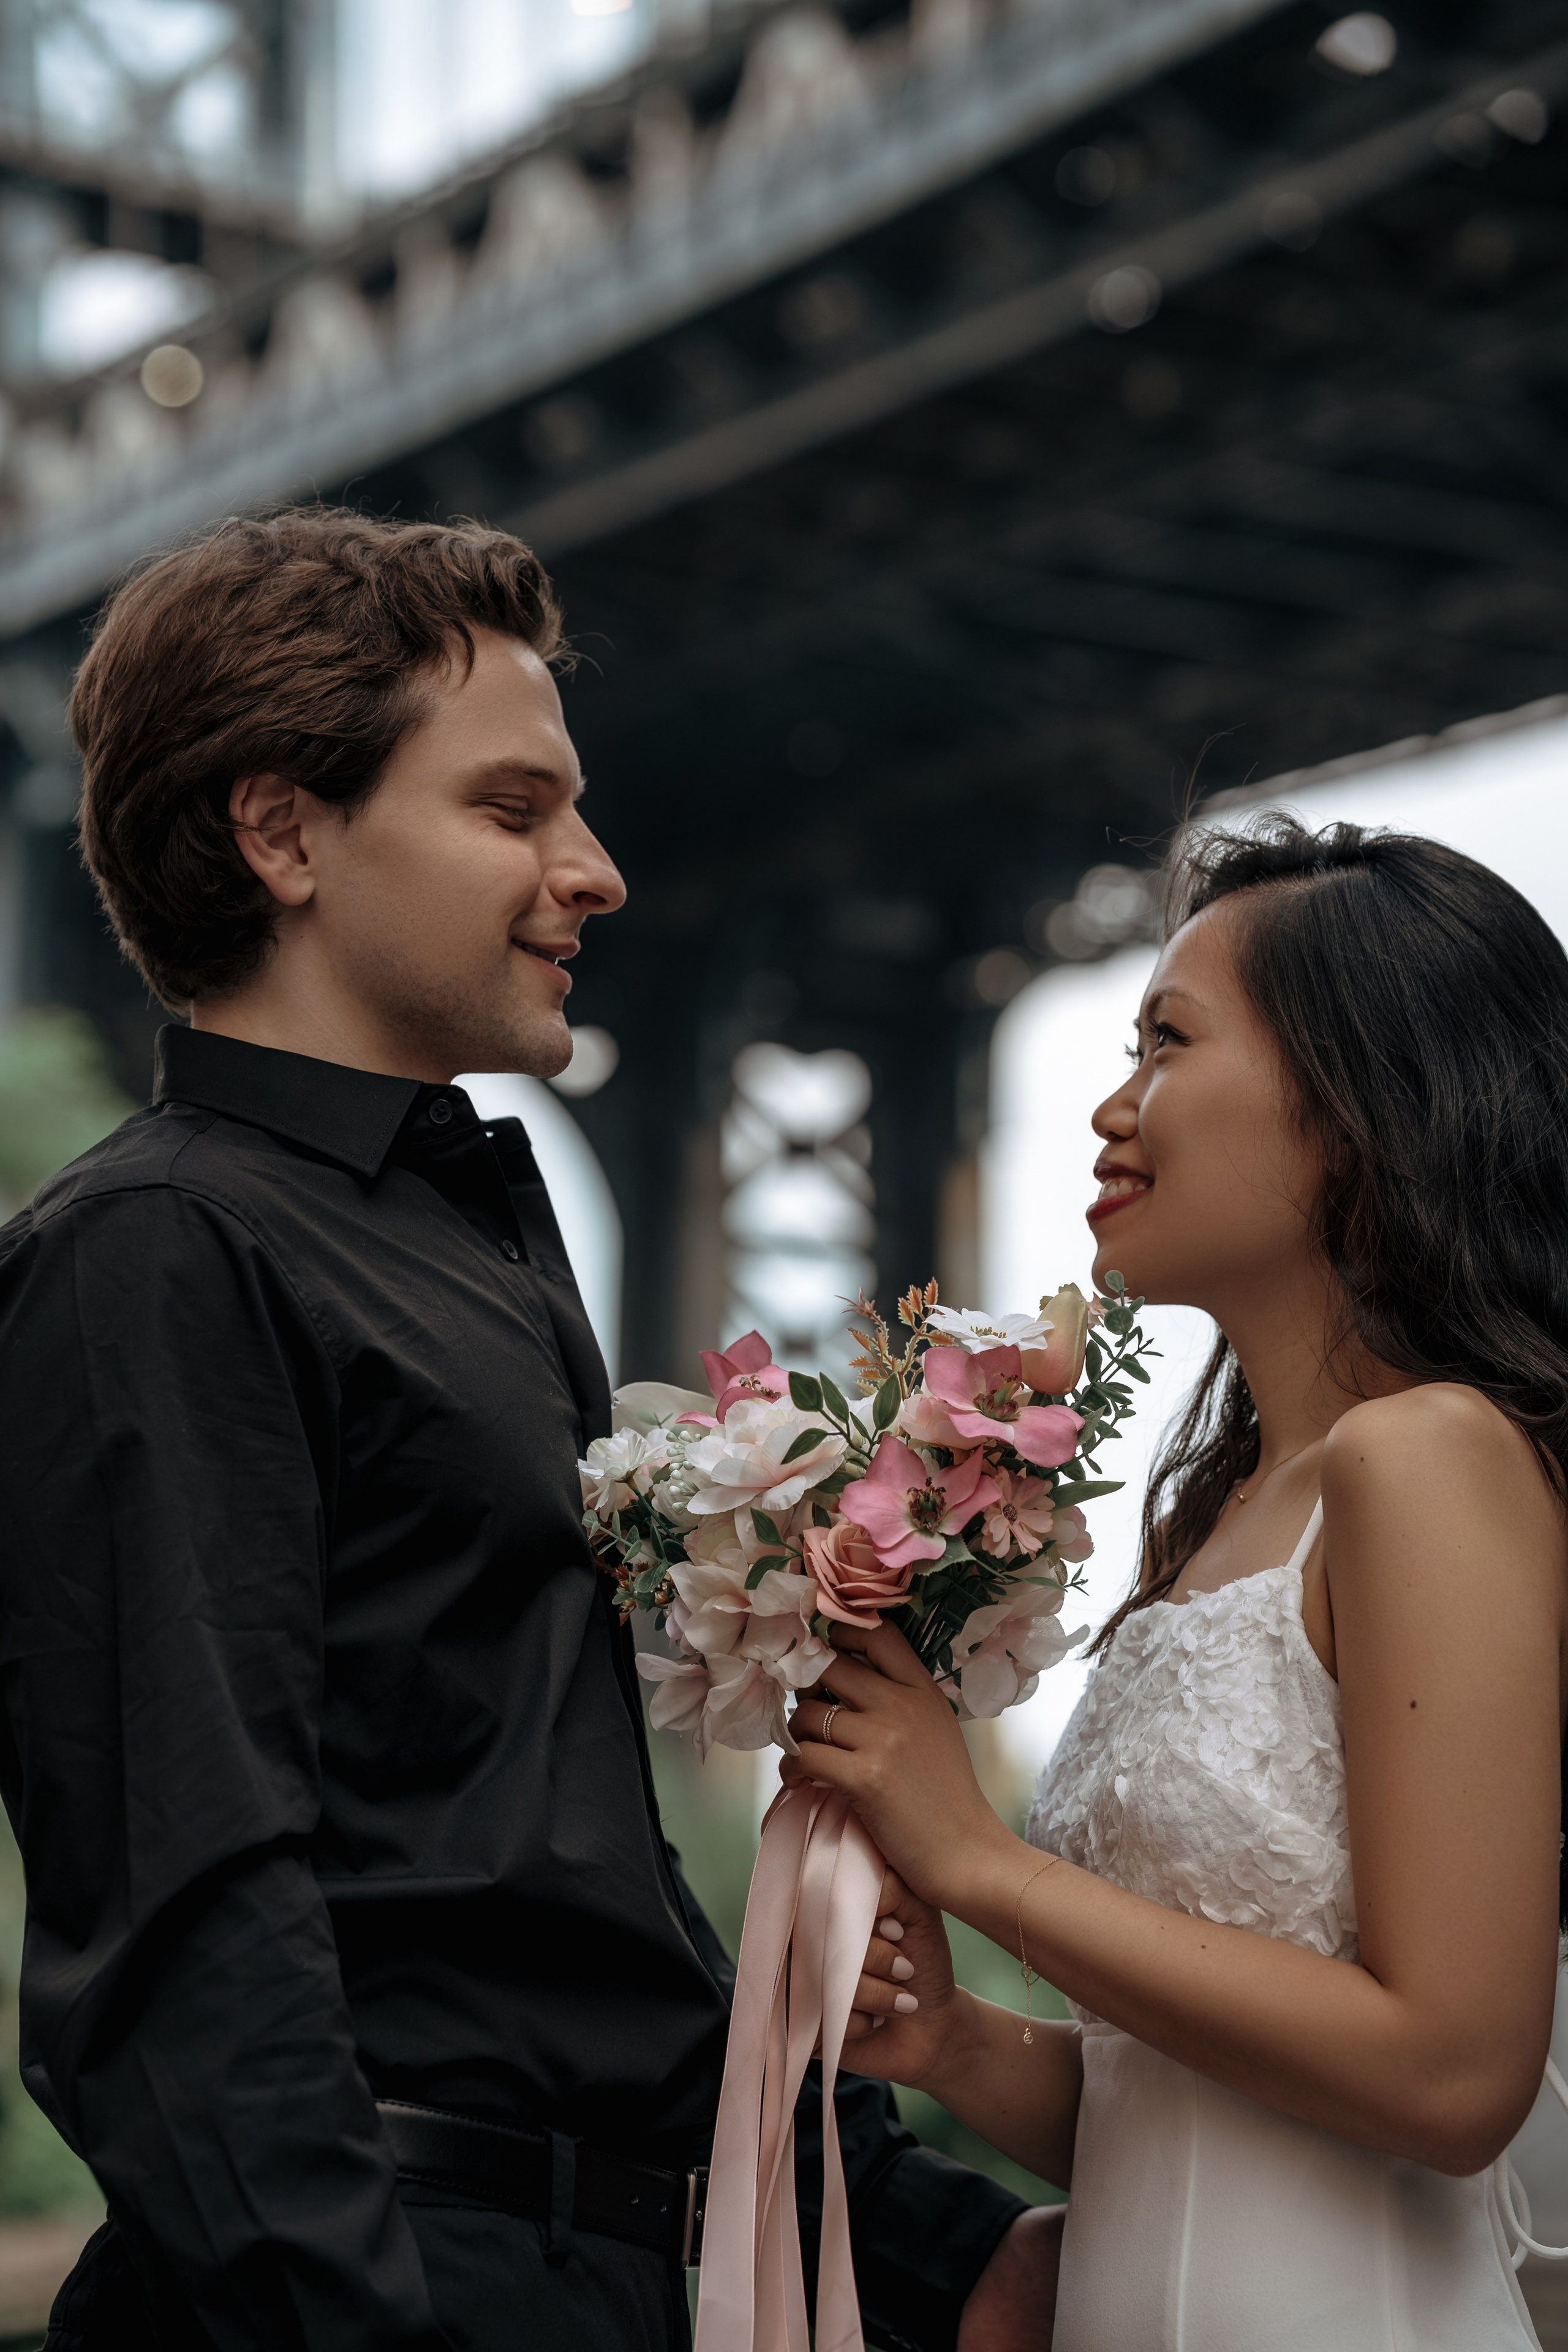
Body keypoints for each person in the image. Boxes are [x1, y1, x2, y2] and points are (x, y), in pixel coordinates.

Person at [0, 508, 1058, 2352]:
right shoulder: (156, 1254)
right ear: (283, 830)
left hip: (604, 2272)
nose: (599, 871)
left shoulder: (474, 1248)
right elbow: (187, 1930)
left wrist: (920, 2243)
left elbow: (562, 1901)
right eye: (513, 809)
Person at [792, 816, 1568, 2350]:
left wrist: (982, 1862)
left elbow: (1450, 2079)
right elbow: (1192, 2119)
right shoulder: (1216, 1522)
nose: (1106, 1106)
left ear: (1356, 1099)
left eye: (1163, 1042)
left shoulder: (1421, 1461)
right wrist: (950, 2042)